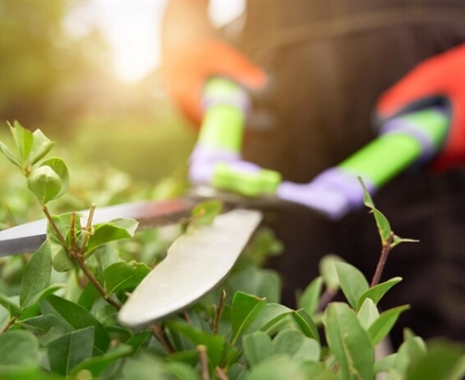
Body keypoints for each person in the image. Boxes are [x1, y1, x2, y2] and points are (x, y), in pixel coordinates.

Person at [161, 0, 465, 346]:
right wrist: (185, 34)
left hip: (435, 67)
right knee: (280, 340)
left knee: (448, 349)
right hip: (280, 92)